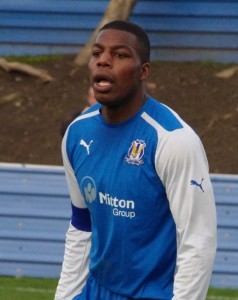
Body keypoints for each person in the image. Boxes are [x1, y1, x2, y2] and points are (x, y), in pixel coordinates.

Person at [55, 20, 217, 300]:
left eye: (120, 55)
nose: (103, 61)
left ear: (143, 71)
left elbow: (197, 240)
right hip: (95, 292)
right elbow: (82, 225)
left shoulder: (173, 140)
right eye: (97, 53)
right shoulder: (76, 134)